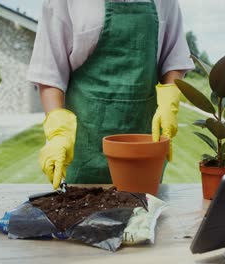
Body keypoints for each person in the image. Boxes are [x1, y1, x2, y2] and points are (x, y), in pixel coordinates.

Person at [28, 0, 194, 189]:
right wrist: (58, 133)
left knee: (143, 213)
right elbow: (49, 73)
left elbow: (174, 59)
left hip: (143, 143)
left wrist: (169, 102)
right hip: (85, 144)